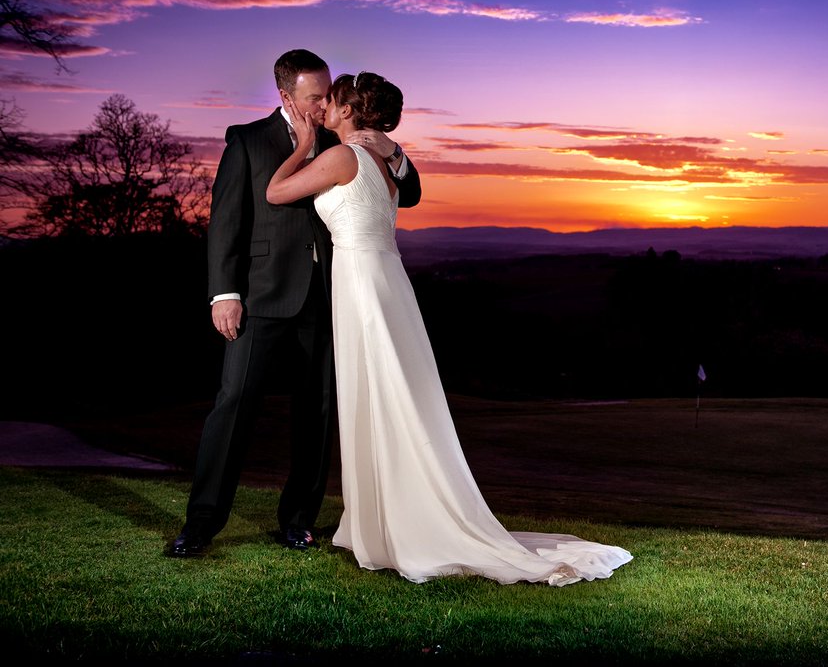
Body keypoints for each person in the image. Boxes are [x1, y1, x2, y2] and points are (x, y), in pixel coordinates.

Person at [267, 71, 632, 586]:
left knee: (378, 391)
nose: (324, 107)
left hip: (362, 282)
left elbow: (277, 191)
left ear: (349, 110)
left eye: (332, 101)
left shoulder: (342, 155)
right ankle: (381, 518)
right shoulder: (384, 161)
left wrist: (304, 142)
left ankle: (397, 523)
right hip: (383, 276)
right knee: (386, 392)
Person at [166, 50, 421, 558]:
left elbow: (408, 192)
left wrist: (392, 148)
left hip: (330, 295)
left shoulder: (341, 138)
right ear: (285, 96)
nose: (325, 103)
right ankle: (201, 524)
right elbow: (226, 222)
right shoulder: (247, 139)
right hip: (260, 294)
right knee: (234, 405)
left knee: (318, 411)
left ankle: (298, 520)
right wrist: (225, 293)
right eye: (314, 97)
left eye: (329, 94)